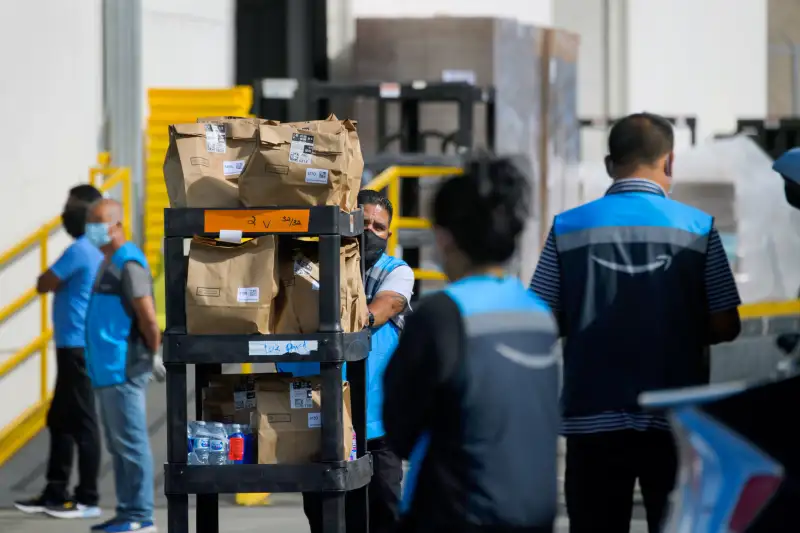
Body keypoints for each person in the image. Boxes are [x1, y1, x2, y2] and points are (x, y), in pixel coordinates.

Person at [530, 112, 742, 533]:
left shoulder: (568, 228)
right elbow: (725, 324)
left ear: (611, 164)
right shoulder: (699, 228)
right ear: (670, 163)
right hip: (676, 419)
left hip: (592, 417)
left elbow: (541, 320)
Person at [382, 155, 560, 533]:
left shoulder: (441, 317)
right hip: (534, 515)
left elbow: (399, 431)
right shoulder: (538, 314)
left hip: (456, 515)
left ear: (445, 236)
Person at [277, 188, 415, 533]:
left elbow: (387, 305)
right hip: (320, 419)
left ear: (388, 235)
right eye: (363, 222)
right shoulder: (313, 265)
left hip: (376, 427)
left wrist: (351, 318)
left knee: (384, 514)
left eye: (378, 227)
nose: (370, 231)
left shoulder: (394, 271)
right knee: (327, 520)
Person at [14, 185, 105, 519]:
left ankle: (87, 498)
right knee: (61, 421)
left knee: (82, 421)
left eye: (71, 207)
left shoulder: (80, 250)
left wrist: (50, 280)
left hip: (77, 348)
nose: (66, 214)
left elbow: (44, 283)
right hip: (73, 347)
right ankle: (55, 491)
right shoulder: (94, 249)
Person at [82, 199, 161, 533]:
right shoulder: (108, 261)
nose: (91, 228)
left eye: (97, 221)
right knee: (119, 446)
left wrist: (151, 353)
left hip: (124, 369)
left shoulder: (129, 262)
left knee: (131, 444)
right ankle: (128, 511)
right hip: (106, 369)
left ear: (116, 224)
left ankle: (141, 516)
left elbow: (148, 317)